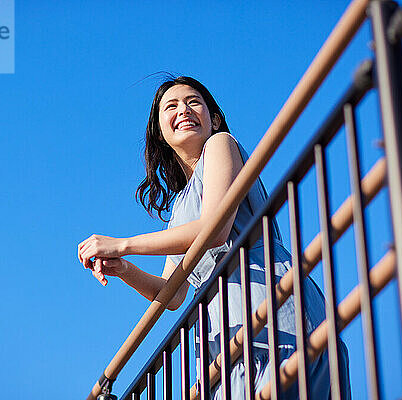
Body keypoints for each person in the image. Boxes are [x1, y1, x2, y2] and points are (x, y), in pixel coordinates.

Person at [78, 76, 350, 399]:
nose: (184, 110)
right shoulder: (179, 208)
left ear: (213, 118)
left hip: (270, 303)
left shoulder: (220, 145)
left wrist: (125, 244)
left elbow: (216, 228)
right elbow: (173, 294)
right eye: (171, 106)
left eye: (194, 102)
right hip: (224, 333)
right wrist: (123, 268)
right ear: (160, 133)